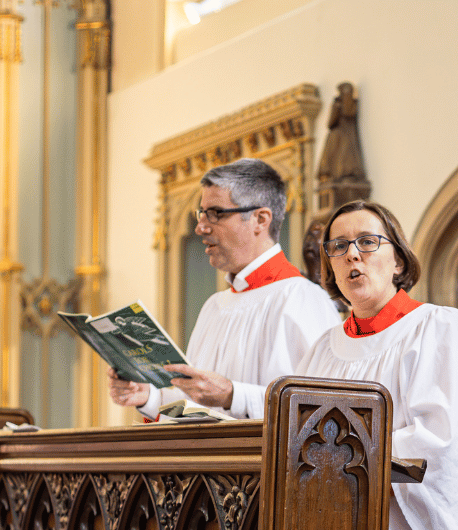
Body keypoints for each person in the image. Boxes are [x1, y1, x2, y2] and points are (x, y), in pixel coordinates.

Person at [298, 200, 458, 530]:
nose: (352, 255)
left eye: (367, 242)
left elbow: (443, 444)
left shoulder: (439, 329)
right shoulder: (321, 350)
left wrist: (335, 457)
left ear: (398, 260)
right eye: (338, 246)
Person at [107, 158, 340, 419]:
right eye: (201, 213)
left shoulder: (303, 300)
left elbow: (323, 407)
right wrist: (147, 396)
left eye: (215, 213)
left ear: (260, 220)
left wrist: (233, 395)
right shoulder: (214, 306)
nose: (201, 227)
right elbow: (196, 405)